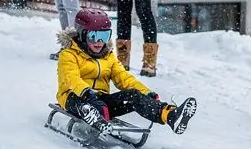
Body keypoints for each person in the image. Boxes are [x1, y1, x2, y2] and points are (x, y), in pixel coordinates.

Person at [56, 8, 196, 138]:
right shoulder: (68, 55)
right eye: (93, 36)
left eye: (104, 36)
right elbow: (71, 78)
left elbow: (124, 78)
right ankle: (93, 114)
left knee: (133, 95)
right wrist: (86, 93)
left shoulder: (108, 56)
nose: (99, 42)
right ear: (82, 34)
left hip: (101, 98)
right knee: (88, 103)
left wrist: (146, 93)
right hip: (73, 97)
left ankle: (169, 115)